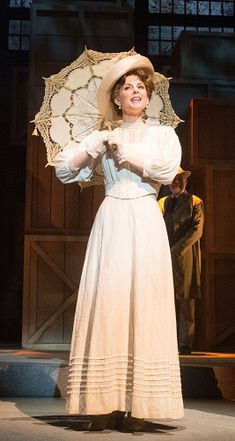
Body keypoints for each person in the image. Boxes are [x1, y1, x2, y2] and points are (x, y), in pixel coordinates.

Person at [53, 53, 184, 431]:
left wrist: (128, 154)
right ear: (116, 98)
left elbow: (165, 170)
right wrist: (92, 149)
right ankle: (104, 400)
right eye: (128, 87)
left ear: (148, 95)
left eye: (141, 86)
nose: (135, 91)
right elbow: (64, 171)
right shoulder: (103, 135)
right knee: (108, 300)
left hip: (144, 215)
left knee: (144, 300)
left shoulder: (162, 134)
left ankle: (140, 405)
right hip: (112, 217)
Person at [158, 168, 204, 355]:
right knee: (162, 299)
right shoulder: (162, 203)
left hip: (186, 257)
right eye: (172, 180)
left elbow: (197, 230)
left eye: (179, 179)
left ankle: (186, 343)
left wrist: (177, 249)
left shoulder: (195, 202)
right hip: (163, 256)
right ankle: (163, 341)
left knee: (186, 300)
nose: (176, 183)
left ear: (185, 181)